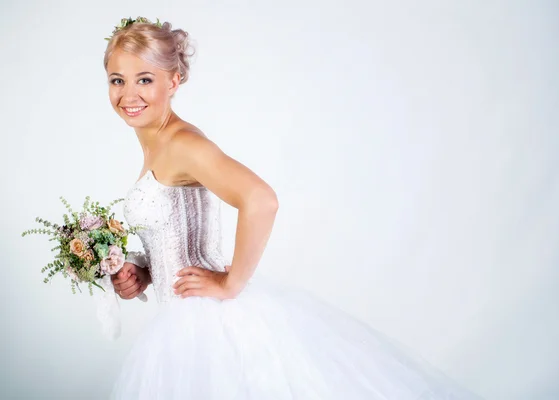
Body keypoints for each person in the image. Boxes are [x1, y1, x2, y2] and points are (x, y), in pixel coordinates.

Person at [105, 17, 481, 400]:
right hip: (180, 317)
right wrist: (145, 270)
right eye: (117, 79)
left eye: (145, 79)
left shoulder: (182, 143)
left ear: (174, 81)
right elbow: (177, 226)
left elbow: (261, 200)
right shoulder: (158, 142)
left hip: (201, 323)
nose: (128, 94)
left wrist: (230, 282)